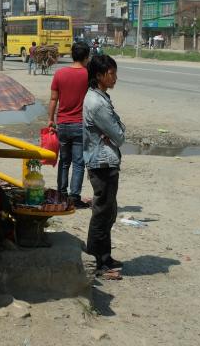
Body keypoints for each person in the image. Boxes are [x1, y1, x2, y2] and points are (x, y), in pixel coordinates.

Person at [83, 54, 126, 280]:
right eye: (111, 73)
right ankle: (97, 261)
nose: (115, 77)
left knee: (108, 211)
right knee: (102, 213)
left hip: (105, 160)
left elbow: (117, 131)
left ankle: (105, 257)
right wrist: (115, 132)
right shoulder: (97, 103)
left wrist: (116, 131)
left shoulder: (100, 97)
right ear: (99, 75)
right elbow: (119, 135)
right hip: (102, 162)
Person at [48, 41, 92, 209]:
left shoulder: (60, 73)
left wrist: (50, 120)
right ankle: (74, 197)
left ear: (72, 55)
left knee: (64, 161)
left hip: (63, 124)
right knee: (79, 162)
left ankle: (61, 194)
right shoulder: (88, 75)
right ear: (86, 56)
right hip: (80, 124)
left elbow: (53, 99)